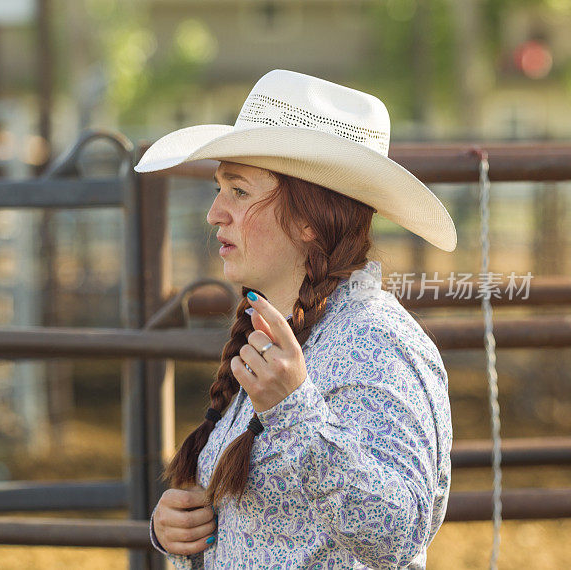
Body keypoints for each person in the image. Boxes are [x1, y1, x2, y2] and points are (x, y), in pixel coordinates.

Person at [134, 70, 455, 569]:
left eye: (239, 192)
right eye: (221, 189)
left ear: (309, 218)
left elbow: (399, 532)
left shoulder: (378, 343)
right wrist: (180, 530)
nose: (215, 212)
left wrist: (293, 415)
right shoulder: (287, 335)